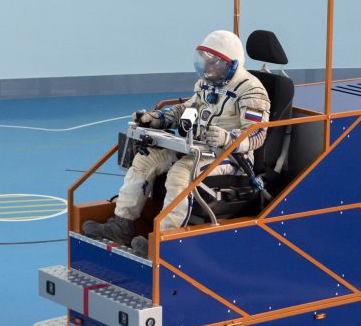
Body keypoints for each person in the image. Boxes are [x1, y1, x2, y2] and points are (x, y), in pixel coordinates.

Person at [83, 30, 270, 256]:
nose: (208, 68)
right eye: (206, 61)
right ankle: (122, 225)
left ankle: (165, 240)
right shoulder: (206, 84)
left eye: (214, 63)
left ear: (230, 64)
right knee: (145, 159)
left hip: (231, 157)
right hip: (197, 149)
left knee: (181, 173)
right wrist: (156, 119)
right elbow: (186, 111)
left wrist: (226, 138)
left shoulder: (252, 90)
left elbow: (257, 135)